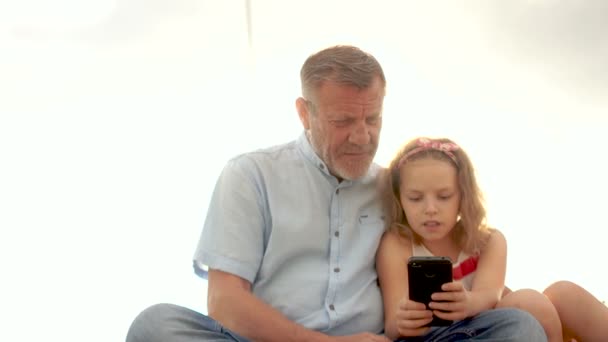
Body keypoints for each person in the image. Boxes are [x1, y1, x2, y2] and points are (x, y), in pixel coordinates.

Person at [125, 46, 546, 342]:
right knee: (155, 326)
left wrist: (474, 298)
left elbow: (454, 241)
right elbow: (224, 301)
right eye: (344, 120)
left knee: (518, 328)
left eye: (374, 119)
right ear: (304, 112)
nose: (362, 137)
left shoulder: (396, 186)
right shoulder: (250, 175)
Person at [377, 136, 608, 342]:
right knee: (530, 303)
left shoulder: (488, 241)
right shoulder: (398, 244)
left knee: (564, 293)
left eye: (444, 196)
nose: (430, 208)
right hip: (434, 335)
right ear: (400, 199)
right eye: (415, 198)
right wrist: (403, 320)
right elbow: (391, 327)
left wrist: (467, 303)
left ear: (463, 196)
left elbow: (488, 296)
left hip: (486, 322)